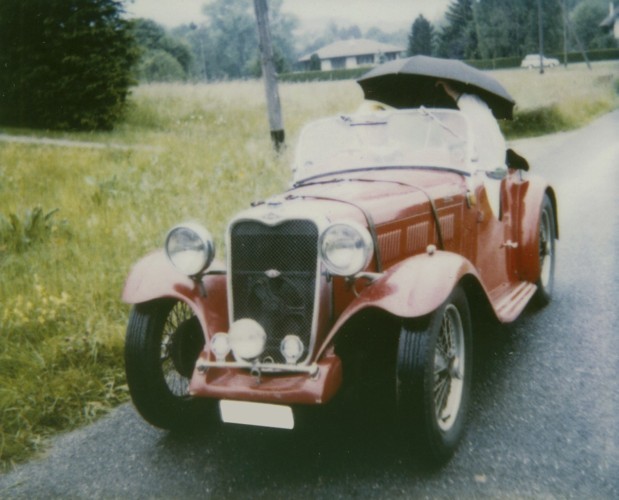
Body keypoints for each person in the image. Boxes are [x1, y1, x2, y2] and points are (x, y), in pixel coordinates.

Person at [437, 80, 507, 216]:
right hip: (484, 160)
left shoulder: (469, 104)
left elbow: (477, 141)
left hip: (486, 167)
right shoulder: (473, 102)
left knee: (484, 203)